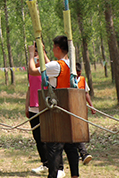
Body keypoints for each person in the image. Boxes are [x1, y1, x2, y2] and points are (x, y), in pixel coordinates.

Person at [44, 35, 79, 178]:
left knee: (54, 148)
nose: (52, 50)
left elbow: (34, 70)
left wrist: (30, 55)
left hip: (58, 110)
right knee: (71, 147)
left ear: (58, 48)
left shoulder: (57, 65)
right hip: (70, 109)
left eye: (53, 48)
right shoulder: (71, 65)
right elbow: (51, 67)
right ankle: (75, 175)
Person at [26, 44, 56, 176]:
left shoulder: (48, 69)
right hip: (33, 107)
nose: (36, 57)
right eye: (35, 54)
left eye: (38, 53)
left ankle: (55, 165)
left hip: (45, 106)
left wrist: (41, 51)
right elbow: (29, 88)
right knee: (38, 138)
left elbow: (50, 64)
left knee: (48, 137)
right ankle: (45, 163)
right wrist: (26, 105)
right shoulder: (31, 70)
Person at [74, 63, 93, 165]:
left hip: (81, 109)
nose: (78, 75)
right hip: (71, 110)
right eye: (76, 73)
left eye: (79, 73)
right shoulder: (68, 80)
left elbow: (86, 93)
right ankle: (83, 153)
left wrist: (91, 106)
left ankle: (83, 153)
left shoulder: (82, 79)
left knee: (79, 131)